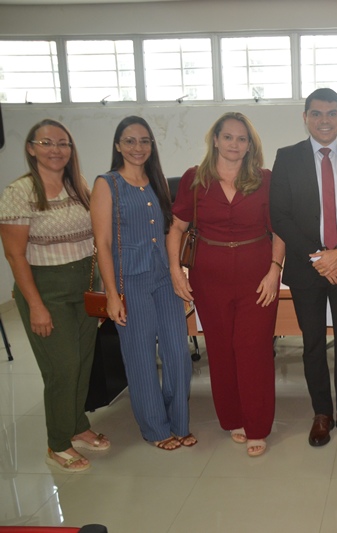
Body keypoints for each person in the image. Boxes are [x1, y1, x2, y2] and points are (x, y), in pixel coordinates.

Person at [167, 112, 284, 458]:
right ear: (215, 140)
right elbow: (176, 228)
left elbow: (280, 230)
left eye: (242, 138)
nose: (235, 144)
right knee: (220, 349)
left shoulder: (265, 180)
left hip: (257, 277)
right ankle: (233, 417)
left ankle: (257, 425)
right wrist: (175, 271)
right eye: (228, 137)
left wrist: (274, 270)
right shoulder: (194, 179)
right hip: (209, 278)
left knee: (254, 349)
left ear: (250, 145)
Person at [0, 119, 110, 471]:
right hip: (46, 291)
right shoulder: (19, 192)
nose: (56, 150)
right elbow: (15, 254)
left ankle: (77, 425)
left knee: (83, 363)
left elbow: (96, 238)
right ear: (31, 148)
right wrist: (36, 306)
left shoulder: (78, 185)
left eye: (63, 143)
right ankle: (58, 442)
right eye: (46, 143)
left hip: (83, 287)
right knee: (62, 368)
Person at [271, 88, 337, 447]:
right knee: (313, 344)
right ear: (305, 118)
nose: (324, 120)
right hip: (307, 268)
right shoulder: (287, 157)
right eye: (316, 113)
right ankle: (321, 413)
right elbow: (280, 215)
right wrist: (319, 256)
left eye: (332, 113)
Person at [91, 116, 194, 451]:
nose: (138, 147)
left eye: (145, 141)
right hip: (129, 282)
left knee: (178, 353)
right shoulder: (107, 184)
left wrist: (178, 274)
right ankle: (155, 428)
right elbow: (103, 243)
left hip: (163, 278)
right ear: (118, 145)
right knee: (140, 357)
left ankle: (179, 422)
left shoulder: (157, 181)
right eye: (130, 140)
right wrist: (112, 294)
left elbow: (170, 232)